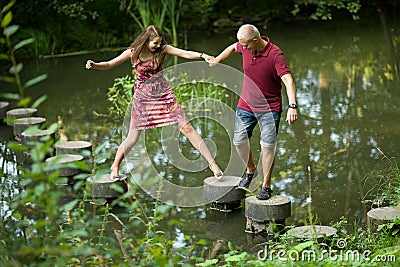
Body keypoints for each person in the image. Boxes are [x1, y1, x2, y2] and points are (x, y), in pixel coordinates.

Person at [86, 25, 223, 180]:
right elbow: (110, 64)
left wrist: (202, 55)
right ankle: (115, 165)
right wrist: (95, 65)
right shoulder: (133, 52)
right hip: (143, 98)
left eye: (159, 42)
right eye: (155, 43)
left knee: (187, 127)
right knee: (133, 137)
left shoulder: (162, 49)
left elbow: (184, 53)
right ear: (146, 40)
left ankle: (212, 164)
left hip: (164, 93)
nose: (158, 45)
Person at [209, 24, 297, 200]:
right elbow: (234, 47)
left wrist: (292, 106)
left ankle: (266, 185)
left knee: (267, 147)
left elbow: (288, 80)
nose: (244, 48)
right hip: (246, 105)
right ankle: (251, 171)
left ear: (256, 40)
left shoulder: (275, 55)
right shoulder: (244, 45)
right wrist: (218, 59)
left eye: (246, 45)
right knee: (239, 141)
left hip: (269, 109)